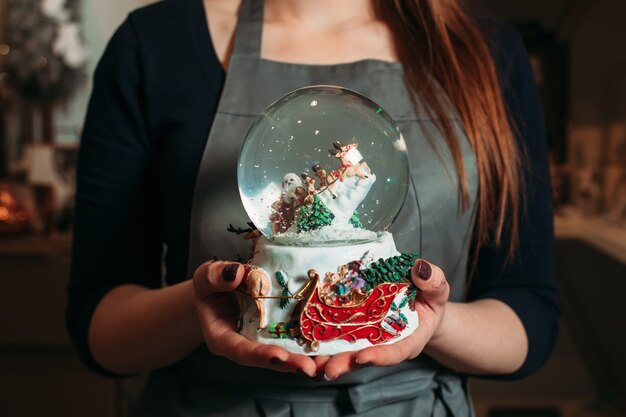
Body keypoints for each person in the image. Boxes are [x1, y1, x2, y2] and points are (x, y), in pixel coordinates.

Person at [66, 0, 559, 415]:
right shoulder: (155, 45)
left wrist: (420, 316)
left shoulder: (484, 53)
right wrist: (208, 306)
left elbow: (529, 316)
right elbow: (100, 329)